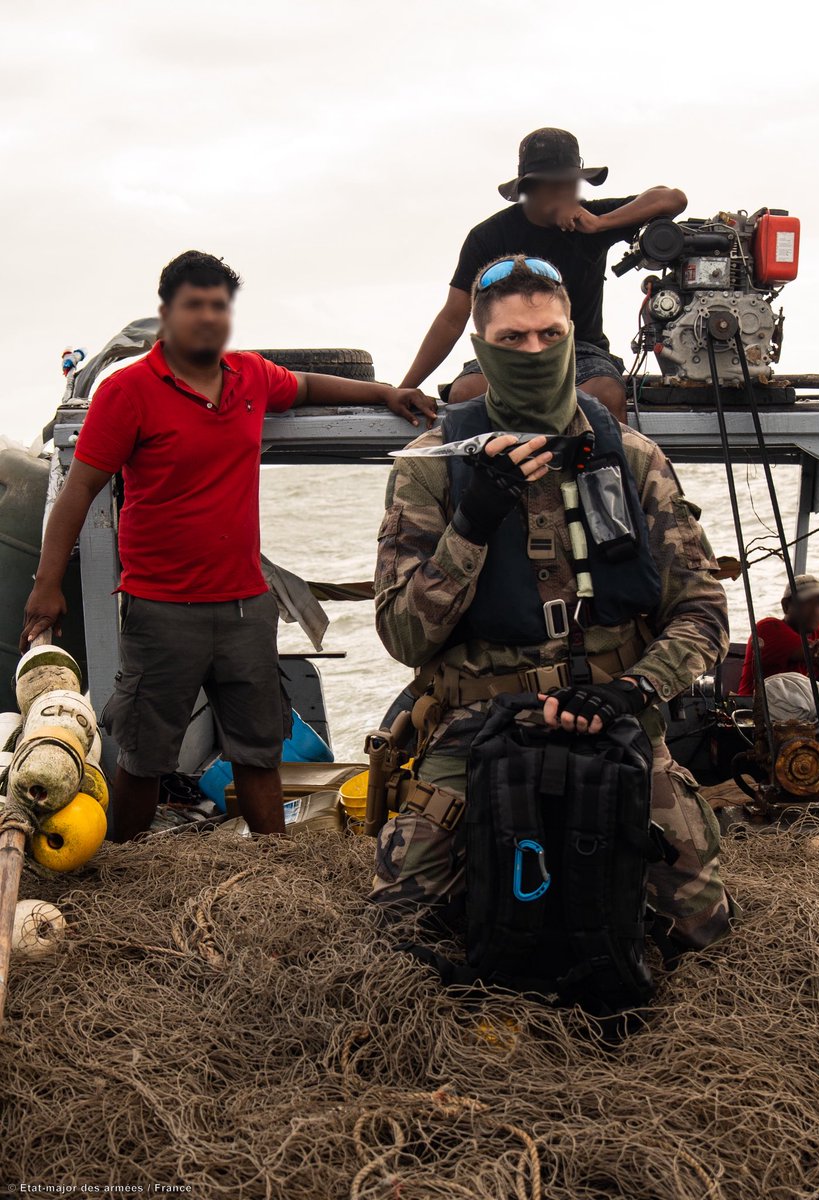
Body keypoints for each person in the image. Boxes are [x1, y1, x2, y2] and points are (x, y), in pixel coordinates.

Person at [373, 254, 733, 954]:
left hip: (614, 707)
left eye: (548, 335)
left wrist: (635, 690)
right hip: (478, 719)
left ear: (570, 335)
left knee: (703, 929)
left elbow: (704, 611)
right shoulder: (431, 469)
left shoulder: (632, 458)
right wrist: (472, 523)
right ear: (481, 348)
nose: (533, 351)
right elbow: (403, 636)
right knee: (399, 933)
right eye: (513, 339)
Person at [21, 250, 436, 841]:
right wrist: (46, 588)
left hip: (246, 607)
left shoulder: (249, 375)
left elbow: (309, 385)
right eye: (195, 304)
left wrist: (387, 394)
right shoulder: (128, 391)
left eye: (219, 305)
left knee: (259, 750)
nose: (208, 318)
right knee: (144, 755)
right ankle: (126, 873)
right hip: (161, 610)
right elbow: (79, 490)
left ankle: (274, 868)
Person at [399, 127, 687, 422]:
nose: (562, 192)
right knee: (467, 392)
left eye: (569, 183)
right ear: (527, 188)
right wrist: (405, 388)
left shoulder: (593, 220)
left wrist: (601, 224)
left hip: (581, 350)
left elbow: (672, 198)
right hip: (506, 348)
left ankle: (608, 468)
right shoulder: (488, 236)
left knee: (606, 393)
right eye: (549, 184)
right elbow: (452, 317)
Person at [737, 575, 819, 695]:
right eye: (808, 603)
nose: (816, 610)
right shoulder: (769, 629)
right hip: (755, 709)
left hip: (798, 708)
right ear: (786, 605)